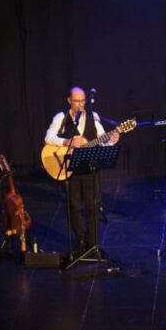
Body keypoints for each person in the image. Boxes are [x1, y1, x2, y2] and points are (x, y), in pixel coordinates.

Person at [44, 87, 119, 252]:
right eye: (76, 101)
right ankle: (80, 240)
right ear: (69, 101)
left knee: (93, 206)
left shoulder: (93, 118)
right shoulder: (61, 118)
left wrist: (112, 139)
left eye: (83, 100)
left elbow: (103, 141)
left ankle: (92, 243)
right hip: (69, 170)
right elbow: (48, 137)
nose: (80, 104)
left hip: (89, 168)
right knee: (74, 206)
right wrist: (67, 142)